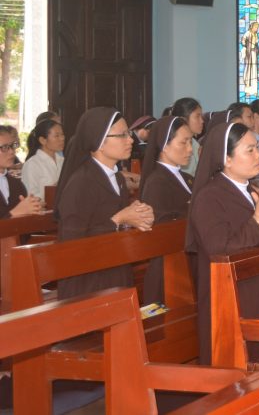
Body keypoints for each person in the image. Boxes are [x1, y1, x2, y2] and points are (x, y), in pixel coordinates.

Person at [186, 122, 259, 364]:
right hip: (230, 301)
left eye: (257, 148)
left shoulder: (250, 191)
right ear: (227, 159)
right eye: (250, 150)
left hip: (258, 291)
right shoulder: (209, 197)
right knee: (235, 371)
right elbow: (221, 250)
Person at [55, 108, 154, 299]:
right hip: (88, 283)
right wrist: (119, 219)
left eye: (129, 133)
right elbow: (72, 245)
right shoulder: (81, 182)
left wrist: (139, 216)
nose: (131, 140)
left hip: (115, 269)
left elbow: (117, 223)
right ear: (99, 141)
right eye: (122, 135)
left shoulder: (117, 178)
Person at [139, 115, 195, 304]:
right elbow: (162, 231)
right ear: (164, 145)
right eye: (184, 142)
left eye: (191, 142)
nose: (190, 149)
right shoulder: (157, 182)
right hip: (169, 271)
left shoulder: (186, 177)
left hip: (186, 262)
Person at [0, 126, 42, 219]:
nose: (12, 151)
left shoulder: (16, 184)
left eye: (13, 146)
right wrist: (14, 214)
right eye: (4, 147)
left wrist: (34, 209)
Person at [21, 118, 65, 200]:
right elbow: (30, 197)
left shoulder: (63, 161)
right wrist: (53, 189)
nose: (62, 138)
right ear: (42, 140)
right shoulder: (32, 164)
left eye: (62, 135)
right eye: (57, 136)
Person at [171, 98, 204, 175]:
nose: (202, 121)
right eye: (197, 116)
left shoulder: (195, 144)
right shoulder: (176, 145)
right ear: (183, 120)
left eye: (201, 116)